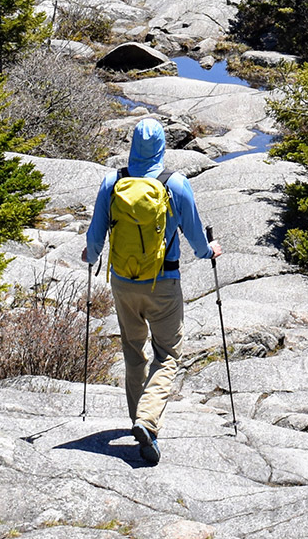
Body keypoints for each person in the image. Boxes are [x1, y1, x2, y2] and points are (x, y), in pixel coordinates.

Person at [83, 117, 220, 465]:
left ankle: (137, 422)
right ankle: (147, 421)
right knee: (168, 355)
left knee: (133, 351)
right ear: (162, 146)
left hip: (122, 283)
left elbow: (95, 234)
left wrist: (91, 253)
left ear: (132, 145)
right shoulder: (174, 183)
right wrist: (210, 252)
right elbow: (194, 236)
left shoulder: (112, 181)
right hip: (162, 283)